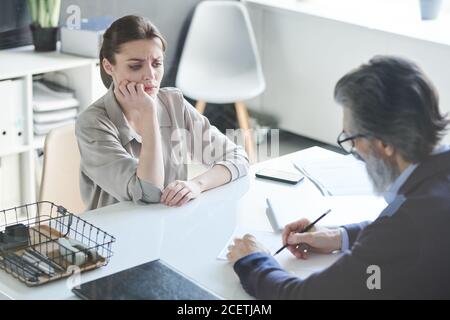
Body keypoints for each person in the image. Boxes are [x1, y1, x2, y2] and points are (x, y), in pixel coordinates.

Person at [227, 56, 450, 299]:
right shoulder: (432, 188)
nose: (354, 149)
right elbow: (405, 232)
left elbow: (304, 296)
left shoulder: (406, 228)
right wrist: (339, 237)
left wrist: (254, 261)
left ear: (384, 144)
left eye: (352, 138)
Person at [75, 15, 249, 210]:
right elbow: (147, 193)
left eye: (156, 64)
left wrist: (197, 184)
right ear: (109, 66)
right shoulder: (92, 123)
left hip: (168, 227)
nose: (150, 75)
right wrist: (148, 114)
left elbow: (237, 157)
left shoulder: (174, 104)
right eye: (135, 66)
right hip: (115, 234)